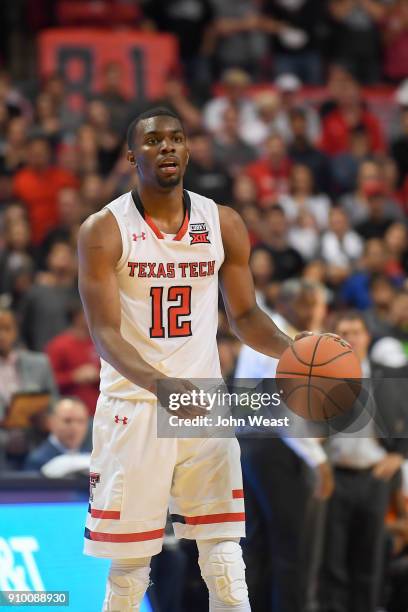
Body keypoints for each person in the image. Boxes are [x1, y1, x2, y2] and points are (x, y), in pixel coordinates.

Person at [77, 106, 309, 612]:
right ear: (131, 154)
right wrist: (162, 387)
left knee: (224, 555)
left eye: (176, 138)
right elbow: (105, 335)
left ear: (188, 149)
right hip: (136, 406)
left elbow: (245, 315)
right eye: (154, 140)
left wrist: (295, 352)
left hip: (203, 403)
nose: (167, 147)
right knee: (130, 567)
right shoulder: (103, 230)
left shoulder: (222, 220)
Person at [319, 311, 408, 612]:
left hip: (375, 476)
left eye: (356, 332)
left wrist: (400, 454)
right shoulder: (323, 378)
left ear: (367, 336)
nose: (352, 338)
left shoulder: (388, 375)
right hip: (335, 476)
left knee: (369, 559)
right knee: (333, 560)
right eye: (344, 332)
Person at [23, 397, 90, 472]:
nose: (74, 428)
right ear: (51, 422)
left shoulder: (93, 456)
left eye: (81, 421)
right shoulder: (38, 460)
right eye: (67, 421)